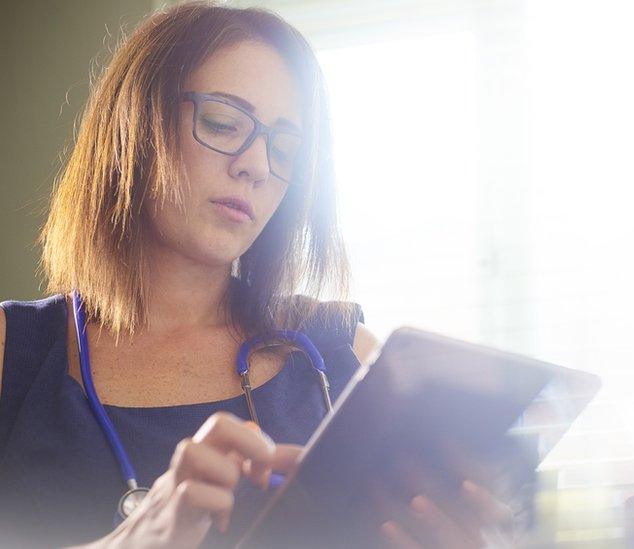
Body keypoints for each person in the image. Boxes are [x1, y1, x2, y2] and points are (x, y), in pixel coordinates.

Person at [0, 2, 509, 547]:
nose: (257, 166)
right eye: (223, 123)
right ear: (134, 125)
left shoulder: (347, 355)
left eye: (284, 149)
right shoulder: (12, 352)